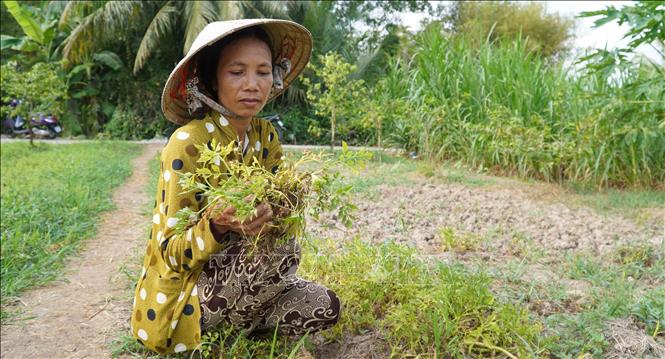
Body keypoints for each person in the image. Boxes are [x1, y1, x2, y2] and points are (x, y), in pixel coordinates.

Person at [130, 19, 341, 354]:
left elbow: (282, 212)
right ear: (212, 79)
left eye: (262, 71)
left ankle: (237, 329)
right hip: (189, 297)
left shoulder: (265, 136)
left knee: (325, 304)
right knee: (280, 250)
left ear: (275, 77)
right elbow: (170, 252)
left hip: (246, 284)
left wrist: (283, 204)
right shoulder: (188, 142)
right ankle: (212, 334)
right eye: (236, 72)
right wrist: (216, 223)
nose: (252, 84)